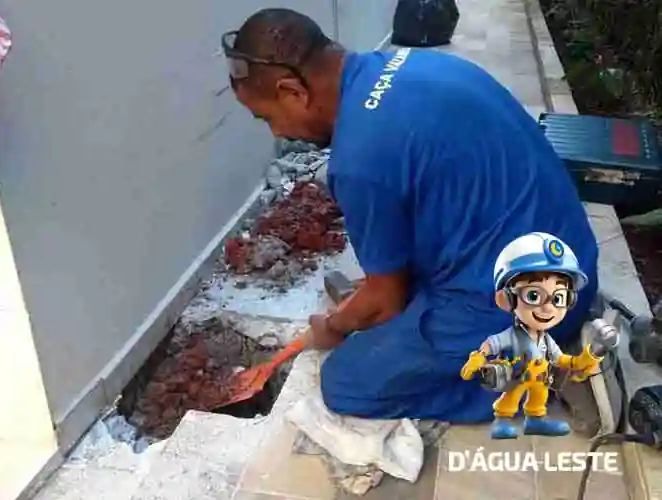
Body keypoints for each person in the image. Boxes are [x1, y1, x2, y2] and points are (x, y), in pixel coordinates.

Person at [222, 8, 599, 423]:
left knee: (347, 381)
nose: (277, 132)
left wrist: (336, 326)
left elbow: (385, 303)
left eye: (268, 117)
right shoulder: (413, 64)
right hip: (574, 261)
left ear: (293, 92)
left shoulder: (359, 160)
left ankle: (526, 374)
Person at [460, 233, 602, 438]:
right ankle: (502, 420)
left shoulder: (546, 339)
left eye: (559, 298)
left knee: (539, 396)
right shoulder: (514, 335)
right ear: (506, 299)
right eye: (534, 295)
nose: (548, 308)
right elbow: (493, 343)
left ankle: (536, 420)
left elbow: (559, 358)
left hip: (541, 377)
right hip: (519, 375)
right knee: (511, 397)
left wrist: (582, 360)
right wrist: (479, 356)